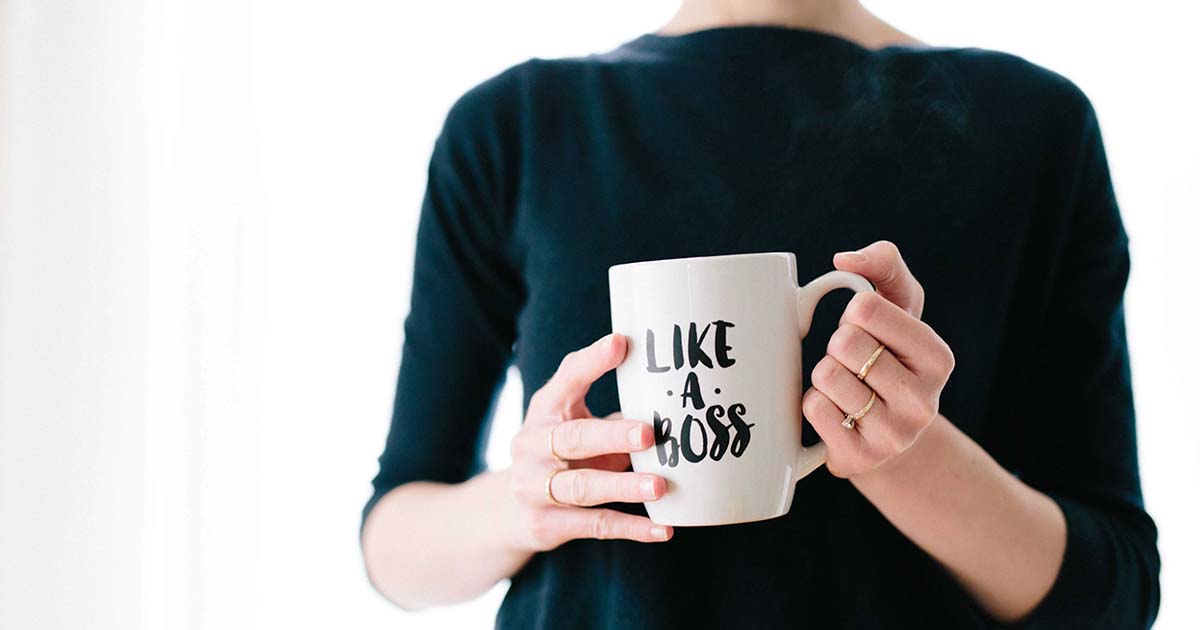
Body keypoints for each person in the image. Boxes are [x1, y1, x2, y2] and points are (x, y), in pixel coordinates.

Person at [360, 1, 1161, 627]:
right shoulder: (513, 128)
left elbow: (1115, 593)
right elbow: (393, 545)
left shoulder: (1033, 127)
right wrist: (527, 501)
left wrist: (899, 454)